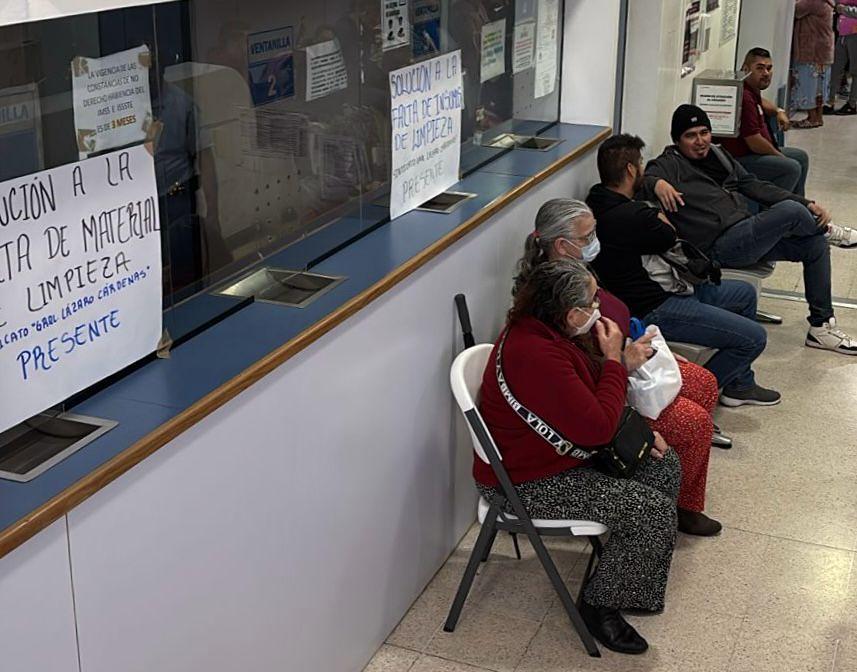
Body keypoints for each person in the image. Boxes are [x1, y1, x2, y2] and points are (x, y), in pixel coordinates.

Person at [478, 258, 680, 654]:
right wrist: (613, 361)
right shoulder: (537, 354)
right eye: (592, 302)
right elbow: (597, 427)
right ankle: (599, 607)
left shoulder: (547, 333)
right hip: (529, 481)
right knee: (650, 510)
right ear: (571, 313)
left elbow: (587, 404)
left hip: (560, 454)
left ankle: (629, 578)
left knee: (663, 465)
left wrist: (635, 426)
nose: (598, 309)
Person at [516, 199, 722, 532]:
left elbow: (612, 326)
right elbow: (577, 375)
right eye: (587, 236)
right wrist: (622, 362)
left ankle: (676, 488)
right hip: (607, 386)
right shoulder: (553, 299)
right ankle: (680, 505)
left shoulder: (580, 273)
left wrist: (653, 350)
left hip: (625, 362)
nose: (594, 241)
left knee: (703, 382)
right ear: (561, 245)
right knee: (694, 423)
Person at [643, 104, 857, 355]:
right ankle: (828, 231)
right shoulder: (670, 164)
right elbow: (645, 177)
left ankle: (821, 327)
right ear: (677, 140)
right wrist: (656, 183)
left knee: (814, 245)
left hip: (744, 233)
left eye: (704, 132)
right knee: (790, 211)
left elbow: (753, 185)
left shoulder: (718, 154)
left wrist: (807, 203)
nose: (700, 141)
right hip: (718, 246)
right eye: (691, 135)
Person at [580, 140, 780, 406]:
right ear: (630, 170)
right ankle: (693, 398)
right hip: (656, 306)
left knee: (744, 293)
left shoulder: (597, 201)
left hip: (663, 290)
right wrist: (659, 216)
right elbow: (671, 236)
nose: (643, 169)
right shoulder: (632, 216)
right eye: (640, 164)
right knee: (753, 338)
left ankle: (740, 385)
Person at [717, 48, 856, 245]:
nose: (766, 73)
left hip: (754, 153)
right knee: (790, 166)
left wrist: (779, 111)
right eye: (760, 68)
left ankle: (801, 217)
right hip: (742, 160)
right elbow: (754, 141)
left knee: (800, 157)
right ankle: (778, 221)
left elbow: (763, 104)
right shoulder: (744, 96)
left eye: (769, 68)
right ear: (746, 69)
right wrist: (778, 156)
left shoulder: (750, 90)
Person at [790, 0, 836, 129]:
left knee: (808, 86)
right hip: (822, 51)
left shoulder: (813, 1)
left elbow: (795, 10)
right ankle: (817, 118)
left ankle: (813, 118)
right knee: (819, 88)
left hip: (812, 51)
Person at [825, 1, 857, 114]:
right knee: (835, 69)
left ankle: (853, 104)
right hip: (843, 34)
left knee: (855, 71)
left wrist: (844, 9)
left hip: (854, 34)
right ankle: (829, 102)